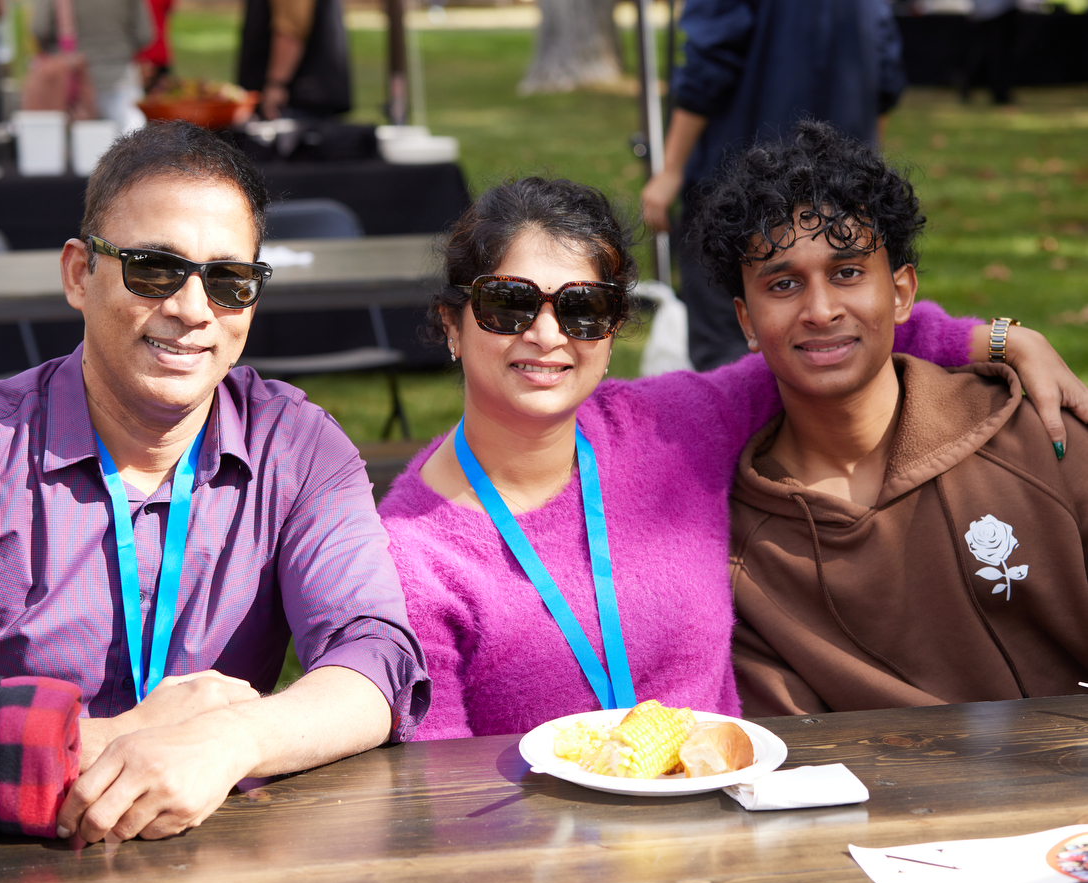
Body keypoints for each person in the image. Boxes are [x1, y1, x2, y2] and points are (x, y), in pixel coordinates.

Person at [0, 120, 430, 842]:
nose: (191, 309)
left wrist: (234, 739)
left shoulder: (298, 448)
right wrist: (108, 741)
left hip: (214, 881)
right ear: (78, 274)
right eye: (155, 269)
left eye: (229, 281)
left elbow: (376, 658)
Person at [377, 176, 1088, 740]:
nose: (546, 334)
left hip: (733, 841)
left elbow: (823, 344)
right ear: (451, 324)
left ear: (613, 329)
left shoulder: (669, 427)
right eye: (509, 305)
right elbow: (436, 793)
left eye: (582, 308)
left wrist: (991, 338)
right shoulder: (412, 554)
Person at [689, 122, 1088, 715]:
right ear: (747, 322)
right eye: (784, 283)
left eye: (847, 272)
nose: (821, 311)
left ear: (901, 293)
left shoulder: (1038, 438)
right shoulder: (738, 553)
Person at [639, 0, 907, 372]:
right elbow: (885, 72)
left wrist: (670, 169)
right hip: (843, 186)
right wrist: (866, 170)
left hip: (738, 184)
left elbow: (709, 64)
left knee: (727, 349)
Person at [31, 0, 150, 132]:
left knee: (76, 146)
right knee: (130, 143)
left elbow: (40, 29)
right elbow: (144, 34)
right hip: (120, 77)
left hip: (72, 82)